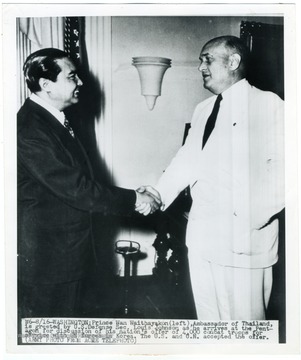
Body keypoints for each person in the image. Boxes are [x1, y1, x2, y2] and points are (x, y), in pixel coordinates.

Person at [137, 36, 284, 320]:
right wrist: (158, 193)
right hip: (203, 237)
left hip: (243, 240)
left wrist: (249, 217)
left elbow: (289, 172)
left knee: (245, 327)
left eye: (207, 59)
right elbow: (186, 160)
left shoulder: (268, 104)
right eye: (200, 61)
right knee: (209, 321)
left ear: (233, 61)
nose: (200, 67)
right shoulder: (203, 109)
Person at [17, 48, 161, 320]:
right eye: (72, 77)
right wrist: (135, 199)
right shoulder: (30, 130)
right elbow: (78, 188)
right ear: (46, 85)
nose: (80, 82)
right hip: (50, 262)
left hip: (67, 254)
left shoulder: (51, 121)